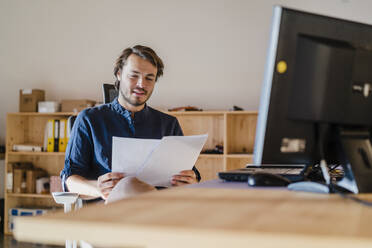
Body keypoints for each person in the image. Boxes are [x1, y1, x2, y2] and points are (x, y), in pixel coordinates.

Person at [60, 45, 201, 200]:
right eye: (134, 75)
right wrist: (98, 188)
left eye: (149, 78)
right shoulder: (89, 119)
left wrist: (189, 180)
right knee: (128, 187)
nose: (141, 84)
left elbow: (190, 174)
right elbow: (70, 181)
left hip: (159, 211)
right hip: (110, 212)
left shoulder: (168, 124)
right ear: (119, 74)